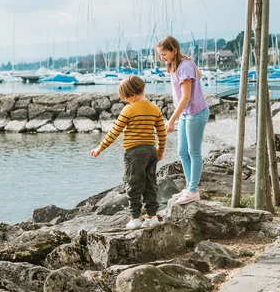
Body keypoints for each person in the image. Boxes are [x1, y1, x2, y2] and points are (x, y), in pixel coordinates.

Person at [89, 75, 167, 229]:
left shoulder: (129, 109)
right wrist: (160, 150)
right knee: (150, 183)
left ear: (131, 95)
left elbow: (114, 132)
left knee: (133, 183)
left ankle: (135, 218)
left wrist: (99, 148)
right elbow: (162, 132)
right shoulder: (154, 108)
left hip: (134, 152)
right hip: (151, 150)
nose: (125, 100)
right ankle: (152, 217)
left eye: (125, 97)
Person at [156, 36, 209, 205]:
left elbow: (186, 97)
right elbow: (199, 74)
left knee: (193, 152)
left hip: (196, 112)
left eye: (164, 54)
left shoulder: (184, 66)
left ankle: (193, 191)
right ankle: (189, 188)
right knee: (182, 151)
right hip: (187, 113)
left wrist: (171, 120)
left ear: (174, 50)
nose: (162, 58)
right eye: (160, 55)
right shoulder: (176, 65)